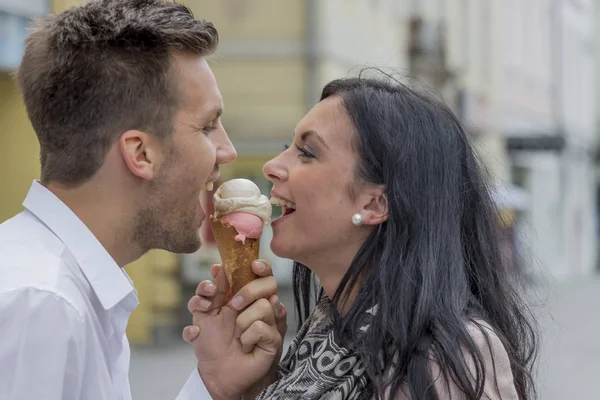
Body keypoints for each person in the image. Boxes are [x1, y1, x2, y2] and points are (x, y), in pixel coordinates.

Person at [184, 74, 539, 399]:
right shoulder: (323, 337)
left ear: (375, 203)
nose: (272, 166)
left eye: (307, 152)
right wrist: (236, 385)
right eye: (288, 147)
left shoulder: (447, 359)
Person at [0, 1, 284, 399]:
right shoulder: (40, 304)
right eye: (207, 126)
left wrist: (214, 384)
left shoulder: (61, 290)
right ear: (141, 154)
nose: (227, 150)